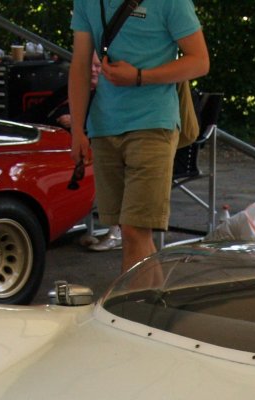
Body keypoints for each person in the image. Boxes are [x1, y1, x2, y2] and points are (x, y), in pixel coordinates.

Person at [69, 0, 209, 272]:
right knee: (131, 231)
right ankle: (150, 308)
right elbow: (80, 65)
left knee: (134, 230)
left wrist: (141, 76)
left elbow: (200, 61)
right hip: (104, 126)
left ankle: (132, 309)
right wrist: (77, 131)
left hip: (154, 124)